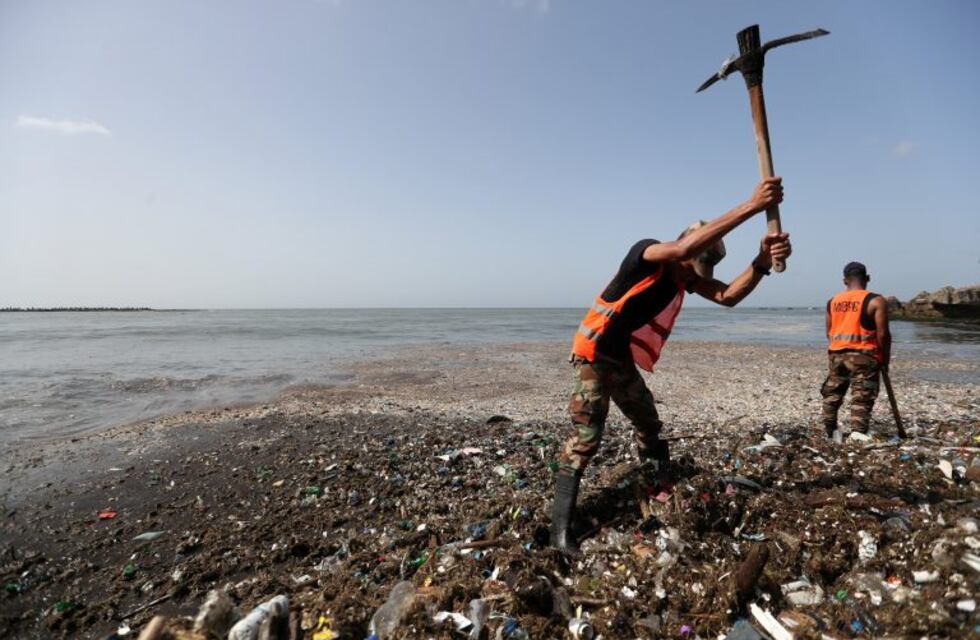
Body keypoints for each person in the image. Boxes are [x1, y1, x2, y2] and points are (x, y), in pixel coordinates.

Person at [550, 177, 791, 554]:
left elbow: (728, 296)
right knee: (586, 437)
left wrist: (760, 262)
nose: (690, 277)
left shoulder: (685, 275)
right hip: (594, 353)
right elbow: (683, 246)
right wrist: (752, 205)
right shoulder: (646, 253)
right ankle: (559, 530)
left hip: (619, 357)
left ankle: (656, 478)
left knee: (648, 421)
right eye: (690, 266)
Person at [821, 261, 891, 441]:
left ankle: (830, 430)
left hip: (837, 354)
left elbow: (829, 332)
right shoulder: (876, 300)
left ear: (845, 281)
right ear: (867, 278)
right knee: (862, 396)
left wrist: (838, 350)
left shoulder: (832, 302)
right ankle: (857, 433)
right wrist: (884, 359)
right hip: (865, 356)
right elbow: (883, 334)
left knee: (833, 393)